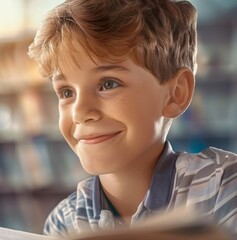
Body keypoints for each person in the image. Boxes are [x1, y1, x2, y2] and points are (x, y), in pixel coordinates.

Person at [27, 0, 237, 237]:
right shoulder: (64, 222)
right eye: (66, 92)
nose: (80, 112)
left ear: (175, 94)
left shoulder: (224, 187)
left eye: (108, 84)